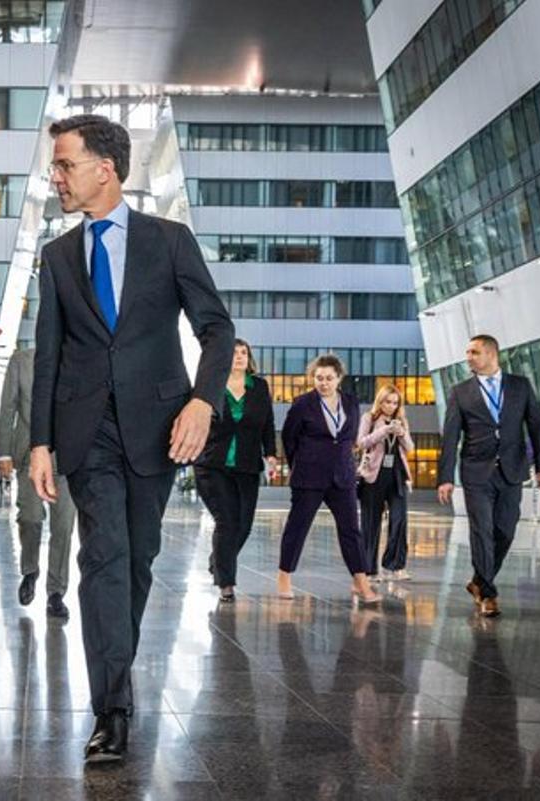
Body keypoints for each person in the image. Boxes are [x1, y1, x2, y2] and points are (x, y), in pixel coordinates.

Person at [29, 114, 235, 762]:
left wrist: (203, 401)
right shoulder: (57, 255)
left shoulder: (168, 242)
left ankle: (116, 671)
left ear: (105, 168)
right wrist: (40, 442)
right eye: (55, 165)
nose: (55, 176)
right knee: (105, 557)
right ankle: (111, 709)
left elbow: (217, 329)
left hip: (158, 427)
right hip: (86, 431)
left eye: (65, 164)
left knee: (137, 559)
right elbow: (48, 352)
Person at [437, 335, 540, 617]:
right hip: (476, 472)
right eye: (467, 352)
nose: (469, 357)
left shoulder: (520, 386)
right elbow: (450, 437)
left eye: (474, 352)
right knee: (482, 530)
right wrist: (445, 477)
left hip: (512, 470)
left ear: (491, 354)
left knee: (505, 530)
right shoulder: (460, 392)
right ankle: (488, 594)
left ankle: (478, 581)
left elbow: (537, 427)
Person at [276, 354, 380, 606]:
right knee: (298, 527)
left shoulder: (351, 402)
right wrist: (298, 465)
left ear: (339, 379)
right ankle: (284, 576)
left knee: (351, 531)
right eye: (319, 378)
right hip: (309, 476)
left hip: (342, 476)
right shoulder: (302, 404)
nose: (323, 383)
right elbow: (289, 439)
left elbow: (348, 438)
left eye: (329, 378)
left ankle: (361, 581)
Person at [0, 346, 76, 619]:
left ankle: (56, 592)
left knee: (63, 526)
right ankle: (30, 570)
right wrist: (3, 452)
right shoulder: (22, 360)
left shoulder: (78, 356)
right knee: (29, 517)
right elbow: (7, 407)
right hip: (30, 453)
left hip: (67, 457)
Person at [193, 338, 276, 602]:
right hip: (212, 465)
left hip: (247, 465)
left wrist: (271, 454)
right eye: (233, 352)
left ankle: (219, 559)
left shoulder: (259, 387)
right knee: (227, 521)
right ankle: (225, 584)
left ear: (248, 358)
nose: (238, 356)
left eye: (243, 352)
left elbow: (268, 423)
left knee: (245, 525)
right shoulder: (211, 385)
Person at [357, 384, 415, 581]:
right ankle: (369, 570)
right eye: (387, 402)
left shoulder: (402, 421)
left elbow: (410, 448)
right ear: (380, 402)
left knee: (400, 520)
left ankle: (395, 566)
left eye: (395, 402)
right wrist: (383, 431)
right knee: (370, 523)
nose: (391, 406)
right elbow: (361, 442)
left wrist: (401, 433)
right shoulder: (370, 418)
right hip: (373, 475)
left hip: (397, 475)